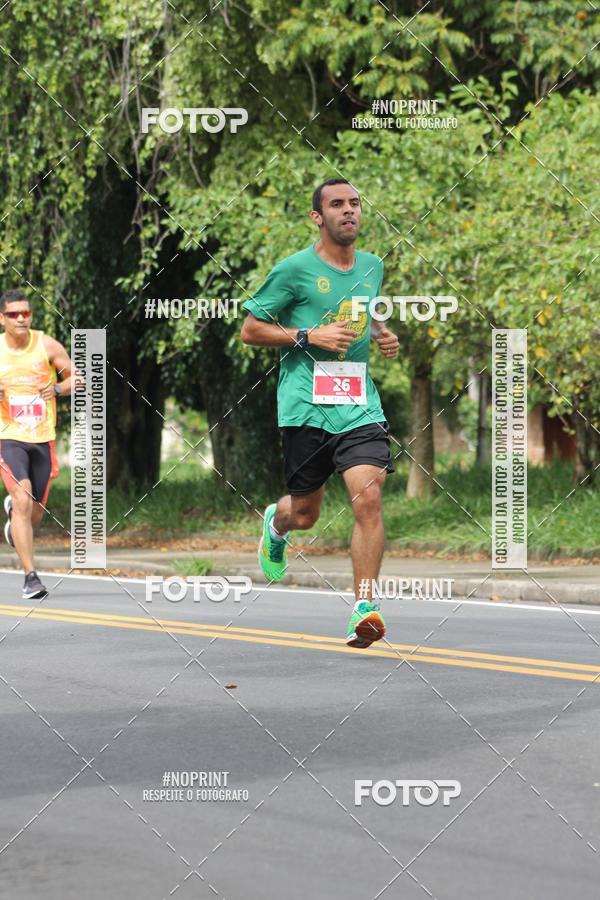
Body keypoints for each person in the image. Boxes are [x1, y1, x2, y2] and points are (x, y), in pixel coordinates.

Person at [240, 178, 399, 649]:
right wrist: (308, 336)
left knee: (368, 499)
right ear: (318, 217)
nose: (348, 211)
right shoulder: (293, 270)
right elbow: (250, 330)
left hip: (358, 404)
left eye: (354, 203)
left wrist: (383, 333)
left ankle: (364, 608)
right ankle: (278, 522)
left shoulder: (373, 266)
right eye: (337, 205)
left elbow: (362, 311)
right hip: (305, 407)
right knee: (306, 514)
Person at [0, 289, 73, 599]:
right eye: (14, 314)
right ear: (2, 318)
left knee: (35, 511)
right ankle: (31, 576)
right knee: (23, 495)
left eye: (26, 313)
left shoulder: (45, 344)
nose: (21, 318)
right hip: (7, 436)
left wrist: (56, 388)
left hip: (42, 437)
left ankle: (14, 520)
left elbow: (76, 377)